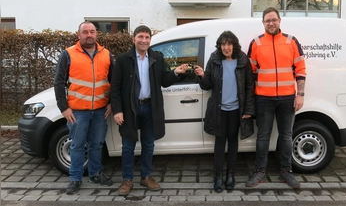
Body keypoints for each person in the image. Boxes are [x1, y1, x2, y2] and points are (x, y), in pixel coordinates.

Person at [110, 25, 188, 196]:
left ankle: (146, 177)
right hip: (130, 108)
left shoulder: (156, 58)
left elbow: (164, 81)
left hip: (150, 107)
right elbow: (115, 87)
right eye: (141, 37)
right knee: (128, 146)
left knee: (148, 144)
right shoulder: (123, 59)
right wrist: (117, 110)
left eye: (147, 37)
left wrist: (176, 72)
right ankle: (127, 179)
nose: (144, 40)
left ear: (150, 40)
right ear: (134, 39)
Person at [245, 7, 306, 189]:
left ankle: (286, 171)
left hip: (287, 98)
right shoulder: (256, 43)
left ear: (279, 21)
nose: (271, 23)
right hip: (263, 99)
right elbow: (251, 73)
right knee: (262, 137)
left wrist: (300, 94)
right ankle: (259, 171)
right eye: (267, 20)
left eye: (274, 20)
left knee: (286, 136)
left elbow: (300, 70)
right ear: (263, 23)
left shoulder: (291, 41)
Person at [54, 21, 114, 195]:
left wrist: (111, 103)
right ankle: (75, 179)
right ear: (79, 35)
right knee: (77, 146)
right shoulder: (69, 54)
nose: (89, 35)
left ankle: (96, 174)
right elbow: (58, 82)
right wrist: (63, 108)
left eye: (92, 32)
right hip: (78, 111)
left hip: (101, 110)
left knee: (97, 144)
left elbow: (114, 83)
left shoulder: (106, 54)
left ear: (96, 34)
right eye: (85, 32)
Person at [194, 31, 255, 193]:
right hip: (219, 109)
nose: (226, 47)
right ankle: (218, 176)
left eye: (229, 44)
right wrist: (202, 76)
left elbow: (250, 86)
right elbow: (207, 85)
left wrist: (249, 109)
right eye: (223, 44)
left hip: (236, 110)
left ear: (234, 45)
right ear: (219, 46)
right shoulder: (214, 59)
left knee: (233, 142)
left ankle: (231, 175)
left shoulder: (242, 60)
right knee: (220, 143)